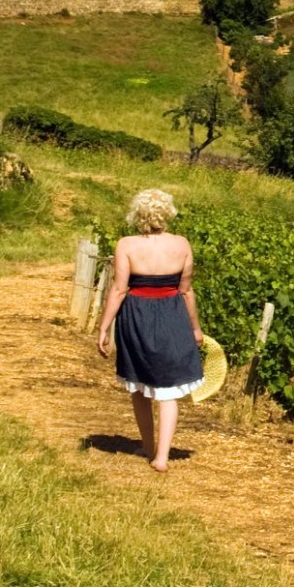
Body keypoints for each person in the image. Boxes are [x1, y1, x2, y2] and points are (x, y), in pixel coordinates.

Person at [96, 188, 203, 471]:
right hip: (172, 315)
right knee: (169, 391)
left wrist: (104, 328)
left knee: (140, 385)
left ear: (138, 213)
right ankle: (162, 457)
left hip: (137, 315)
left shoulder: (127, 245)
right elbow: (186, 291)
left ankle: (149, 446)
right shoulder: (181, 244)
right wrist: (195, 328)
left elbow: (119, 290)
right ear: (168, 213)